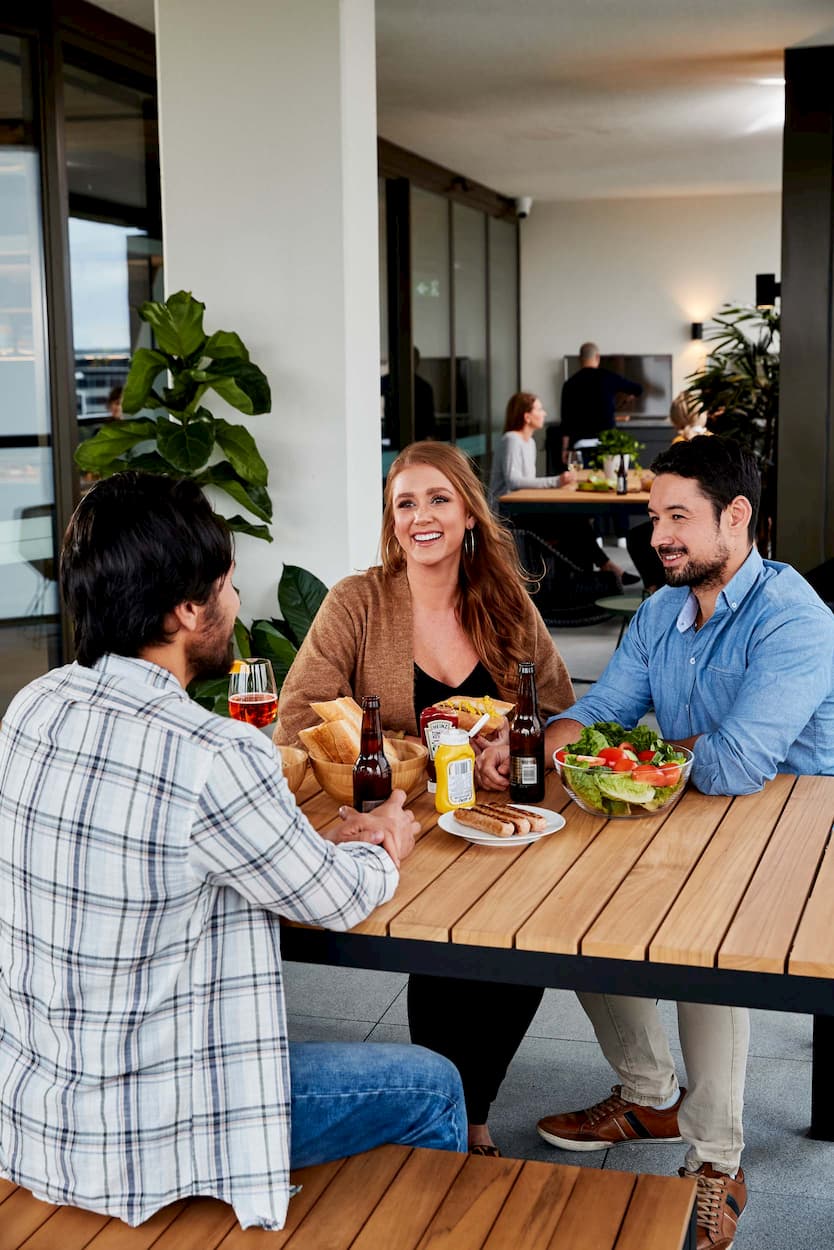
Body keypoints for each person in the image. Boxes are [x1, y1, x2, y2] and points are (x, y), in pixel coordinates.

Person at [0, 472, 467, 1232]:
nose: (237, 605)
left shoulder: (35, 705)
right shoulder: (214, 751)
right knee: (435, 1085)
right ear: (188, 609)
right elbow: (331, 899)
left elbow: (173, 847)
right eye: (226, 586)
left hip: (38, 1110)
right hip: (154, 1134)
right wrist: (389, 839)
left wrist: (304, 841)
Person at [479, 436, 834, 1250]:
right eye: (654, 516)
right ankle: (648, 1091)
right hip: (690, 800)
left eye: (679, 516)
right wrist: (532, 747)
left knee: (698, 944)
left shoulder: (797, 619)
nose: (659, 534)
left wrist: (609, 762)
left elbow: (742, 763)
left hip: (797, 828)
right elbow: (606, 709)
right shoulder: (661, 612)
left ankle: (716, 1160)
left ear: (736, 517)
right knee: (566, 900)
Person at [275, 440, 575, 1154]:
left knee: (518, 942)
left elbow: (560, 705)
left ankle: (473, 1102)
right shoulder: (359, 600)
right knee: (440, 951)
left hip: (494, 818)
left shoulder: (506, 603)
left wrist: (510, 741)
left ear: (469, 512)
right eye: (405, 502)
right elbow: (298, 711)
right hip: (398, 822)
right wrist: (391, 753)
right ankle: (455, 1118)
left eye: (437, 499)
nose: (421, 516)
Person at [489, 390, 637, 586]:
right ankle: (601, 572)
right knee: (575, 524)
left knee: (577, 521)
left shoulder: (529, 442)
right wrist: (555, 482)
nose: (544, 414)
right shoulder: (512, 440)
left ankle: (596, 574)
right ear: (527, 416)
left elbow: (526, 484)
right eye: (539, 409)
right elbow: (514, 482)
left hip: (522, 510)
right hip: (508, 516)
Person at [627, 393, 711, 592]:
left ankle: (657, 590)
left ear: (675, 417)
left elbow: (670, 485)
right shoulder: (712, 439)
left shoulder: (680, 443)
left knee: (638, 537)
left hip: (682, 519)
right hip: (705, 518)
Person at [559, 341, 643, 461]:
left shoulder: (569, 384)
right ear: (597, 357)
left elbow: (565, 423)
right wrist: (627, 399)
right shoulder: (608, 377)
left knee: (582, 478)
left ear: (579, 359)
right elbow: (638, 389)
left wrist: (565, 450)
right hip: (607, 444)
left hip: (580, 445)